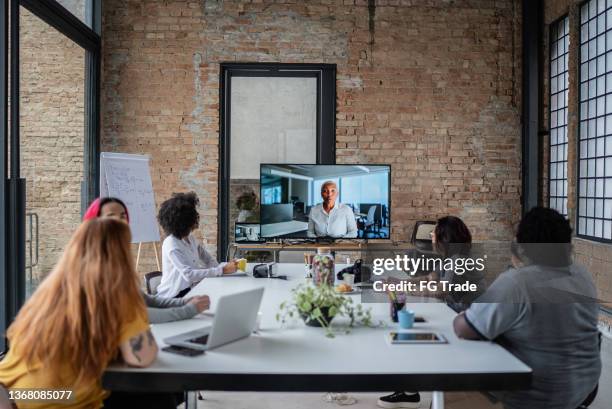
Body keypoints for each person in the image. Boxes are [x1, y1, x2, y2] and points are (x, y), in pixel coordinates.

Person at [0, 219, 175, 409]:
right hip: (59, 399)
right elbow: (142, 357)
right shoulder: (116, 298)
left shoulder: (45, 295)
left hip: (16, 393)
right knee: (160, 396)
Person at [453, 207, 601, 409]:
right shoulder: (581, 275)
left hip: (535, 394)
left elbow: (464, 328)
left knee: (447, 393)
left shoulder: (518, 282)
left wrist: (462, 315)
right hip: (582, 390)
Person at [377, 216, 482, 409]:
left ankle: (410, 393)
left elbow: (441, 289)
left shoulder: (458, 260)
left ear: (445, 237)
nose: (431, 234)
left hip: (463, 322)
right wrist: (402, 283)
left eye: (435, 232)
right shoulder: (451, 257)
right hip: (451, 315)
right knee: (406, 330)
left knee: (408, 334)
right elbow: (430, 277)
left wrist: (403, 289)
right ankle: (409, 392)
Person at [83, 197, 211, 323]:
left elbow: (142, 299)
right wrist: (189, 310)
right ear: (95, 224)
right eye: (110, 216)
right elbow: (139, 313)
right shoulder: (94, 264)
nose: (119, 221)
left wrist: (183, 302)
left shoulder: (115, 259)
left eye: (122, 216)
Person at [156, 192, 237, 298]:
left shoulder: (190, 238)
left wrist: (225, 267)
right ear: (184, 221)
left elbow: (208, 259)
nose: (196, 220)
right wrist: (222, 270)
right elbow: (189, 275)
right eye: (193, 217)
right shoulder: (171, 244)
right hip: (173, 295)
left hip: (190, 289)